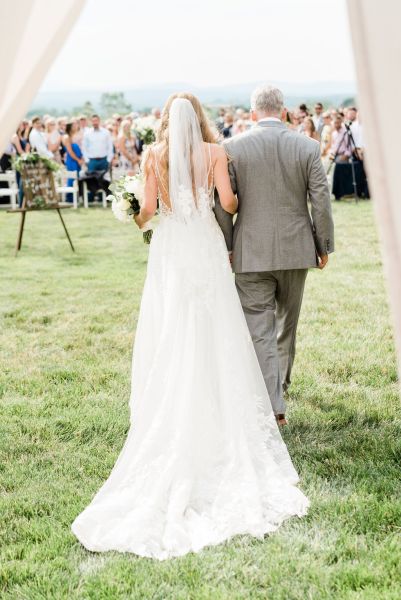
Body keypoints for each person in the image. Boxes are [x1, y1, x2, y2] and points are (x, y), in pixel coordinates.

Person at [71, 92, 309, 560]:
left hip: (172, 250)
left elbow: (148, 213)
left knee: (172, 327)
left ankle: (173, 398)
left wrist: (131, 209)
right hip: (204, 243)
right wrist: (233, 196)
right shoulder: (216, 152)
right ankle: (219, 406)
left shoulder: (154, 156)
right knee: (219, 328)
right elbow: (228, 201)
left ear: (164, 121)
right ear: (198, 118)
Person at [215, 84, 334, 422]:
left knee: (259, 328)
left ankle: (272, 405)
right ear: (283, 112)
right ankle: (279, 387)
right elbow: (320, 202)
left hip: (249, 251)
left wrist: (227, 244)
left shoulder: (233, 148)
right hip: (297, 249)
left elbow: (223, 205)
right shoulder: (308, 146)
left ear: (253, 114)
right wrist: (323, 244)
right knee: (286, 324)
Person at [63, 121, 84, 203]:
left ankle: (76, 197)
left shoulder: (73, 137)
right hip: (72, 161)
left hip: (76, 161)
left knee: (77, 178)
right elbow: (70, 151)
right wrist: (78, 160)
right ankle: (69, 198)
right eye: (74, 126)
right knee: (71, 178)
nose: (76, 127)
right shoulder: (66, 137)